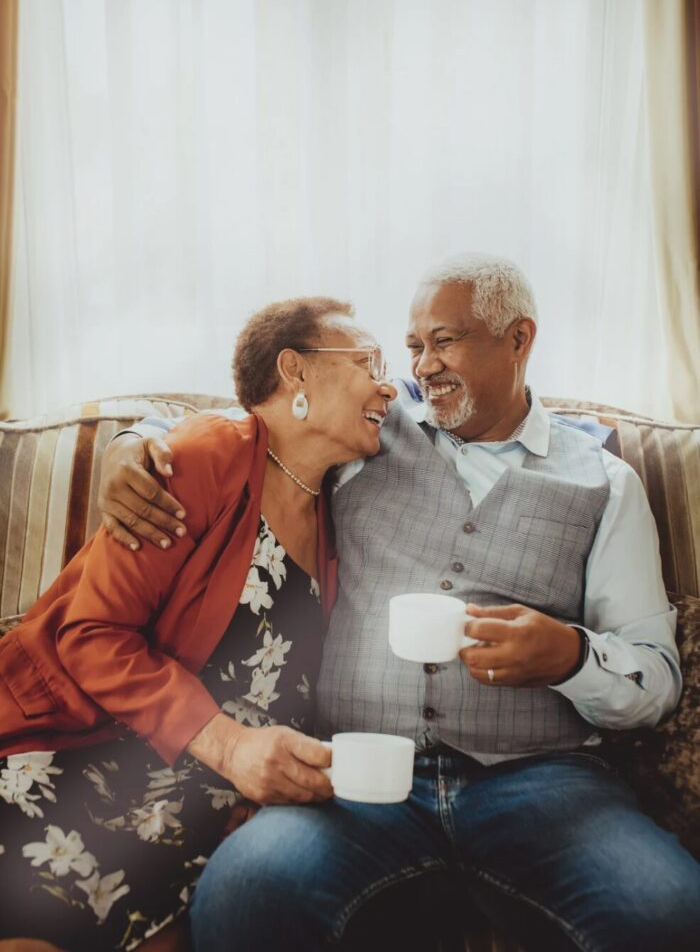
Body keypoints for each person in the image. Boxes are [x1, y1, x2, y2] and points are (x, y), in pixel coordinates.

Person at [98, 256, 700, 952]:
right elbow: (255, 419)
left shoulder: (604, 480)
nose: (422, 365)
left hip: (543, 783)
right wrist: (132, 442)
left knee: (669, 912)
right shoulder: (368, 430)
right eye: (414, 346)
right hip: (355, 775)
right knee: (244, 891)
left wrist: (570, 656)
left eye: (445, 341)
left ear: (519, 339)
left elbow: (656, 679)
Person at [0, 297, 397, 951]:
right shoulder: (202, 457)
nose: (389, 386)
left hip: (205, 798)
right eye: (368, 362)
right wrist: (231, 747)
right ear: (295, 370)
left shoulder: (337, 505)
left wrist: (271, 779)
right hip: (86, 750)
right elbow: (92, 635)